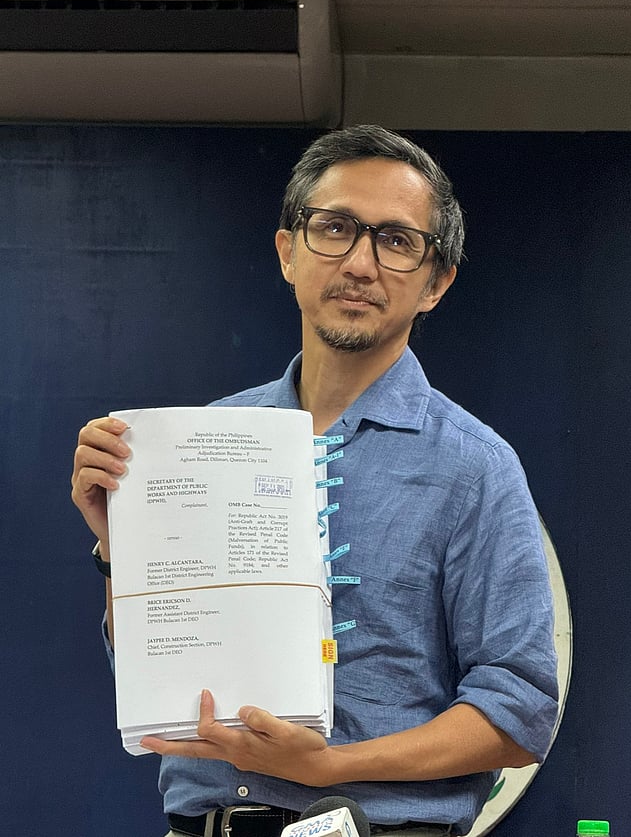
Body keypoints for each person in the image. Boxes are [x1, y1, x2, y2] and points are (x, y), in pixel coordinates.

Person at [71, 125, 558, 837]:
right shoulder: (200, 440)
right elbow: (154, 671)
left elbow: (520, 712)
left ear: (436, 282)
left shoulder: (475, 466)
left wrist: (332, 765)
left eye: (397, 241)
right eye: (334, 228)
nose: (360, 263)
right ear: (287, 251)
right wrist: (122, 548)